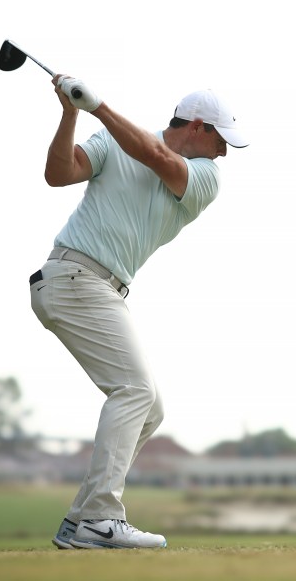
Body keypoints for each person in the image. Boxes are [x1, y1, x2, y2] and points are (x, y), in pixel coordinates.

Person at [29, 74, 249, 550]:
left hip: (99, 287)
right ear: (197, 127)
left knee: (150, 407)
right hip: (72, 277)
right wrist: (71, 112)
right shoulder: (111, 138)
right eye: (221, 140)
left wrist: (97, 106)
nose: (225, 152)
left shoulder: (204, 178)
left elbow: (155, 156)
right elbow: (59, 173)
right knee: (134, 391)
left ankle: (82, 521)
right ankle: (100, 518)